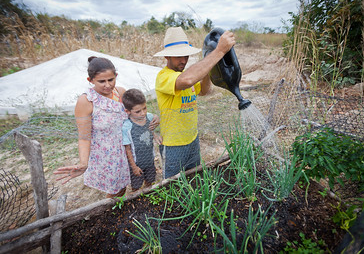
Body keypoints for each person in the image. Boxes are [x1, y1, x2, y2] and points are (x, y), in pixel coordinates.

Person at [54, 56, 158, 198]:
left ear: (116, 76)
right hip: (109, 155)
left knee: (134, 182)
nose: (108, 85)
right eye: (101, 81)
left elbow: (134, 113)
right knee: (116, 191)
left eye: (111, 80)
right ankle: (112, 213)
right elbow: (84, 137)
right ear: (90, 81)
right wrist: (84, 163)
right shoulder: (87, 101)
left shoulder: (120, 93)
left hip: (130, 148)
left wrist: (153, 117)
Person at [153, 27, 236, 178]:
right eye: (178, 57)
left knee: (194, 179)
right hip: (173, 145)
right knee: (172, 186)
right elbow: (187, 80)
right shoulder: (163, 77)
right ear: (167, 57)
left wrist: (209, 67)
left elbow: (203, 91)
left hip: (192, 139)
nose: (183, 60)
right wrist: (218, 52)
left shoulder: (186, 74)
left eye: (185, 55)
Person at [121, 88, 161, 191]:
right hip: (137, 163)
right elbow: (128, 149)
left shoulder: (149, 117)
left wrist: (155, 135)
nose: (143, 113)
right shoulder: (127, 126)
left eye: (144, 108)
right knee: (136, 186)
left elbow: (153, 125)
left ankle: (147, 192)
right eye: (138, 111)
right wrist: (134, 167)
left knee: (150, 180)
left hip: (149, 159)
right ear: (127, 111)